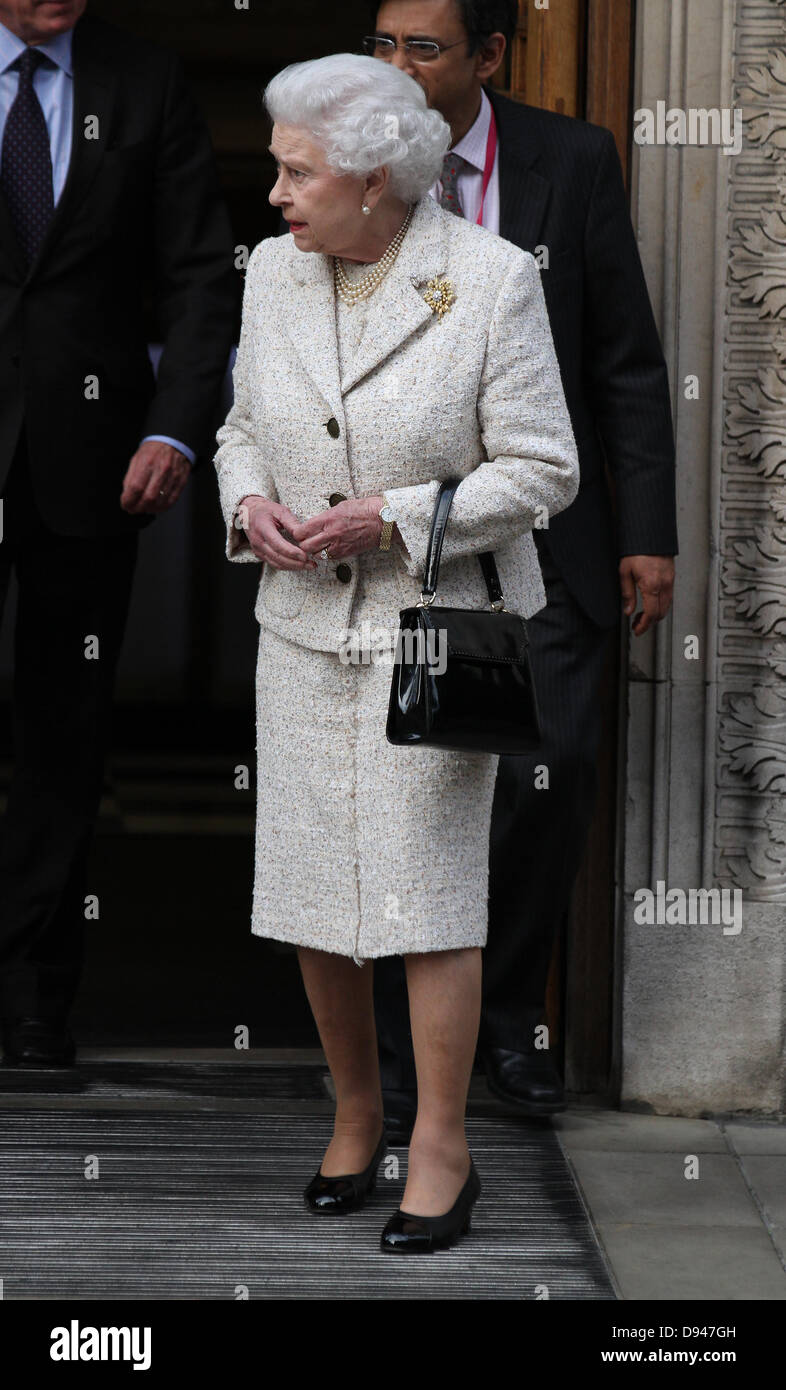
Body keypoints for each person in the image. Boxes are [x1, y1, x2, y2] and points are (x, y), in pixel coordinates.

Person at [214, 51, 578, 1253]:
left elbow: (543, 471)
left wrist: (394, 516)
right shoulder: (271, 272)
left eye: (297, 171)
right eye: (279, 168)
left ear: (375, 181)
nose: (275, 192)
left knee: (428, 903)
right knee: (317, 894)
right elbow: (237, 429)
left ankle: (442, 1143)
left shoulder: (484, 282)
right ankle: (356, 1112)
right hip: (303, 632)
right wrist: (247, 504)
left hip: (430, 641)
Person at [366, 0, 678, 1137]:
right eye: (383, 43)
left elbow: (625, 359)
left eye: (425, 47)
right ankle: (400, 1054)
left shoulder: (571, 160)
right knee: (416, 791)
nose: (398, 67)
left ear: (491, 56)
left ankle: (510, 1023)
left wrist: (646, 530)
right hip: (408, 534)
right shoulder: (356, 156)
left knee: (545, 779)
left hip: (551, 538)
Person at [0, 1, 237, 1066]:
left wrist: (178, 428)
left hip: (90, 461)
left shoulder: (144, 80)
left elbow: (198, 272)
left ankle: (34, 1001)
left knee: (66, 731)